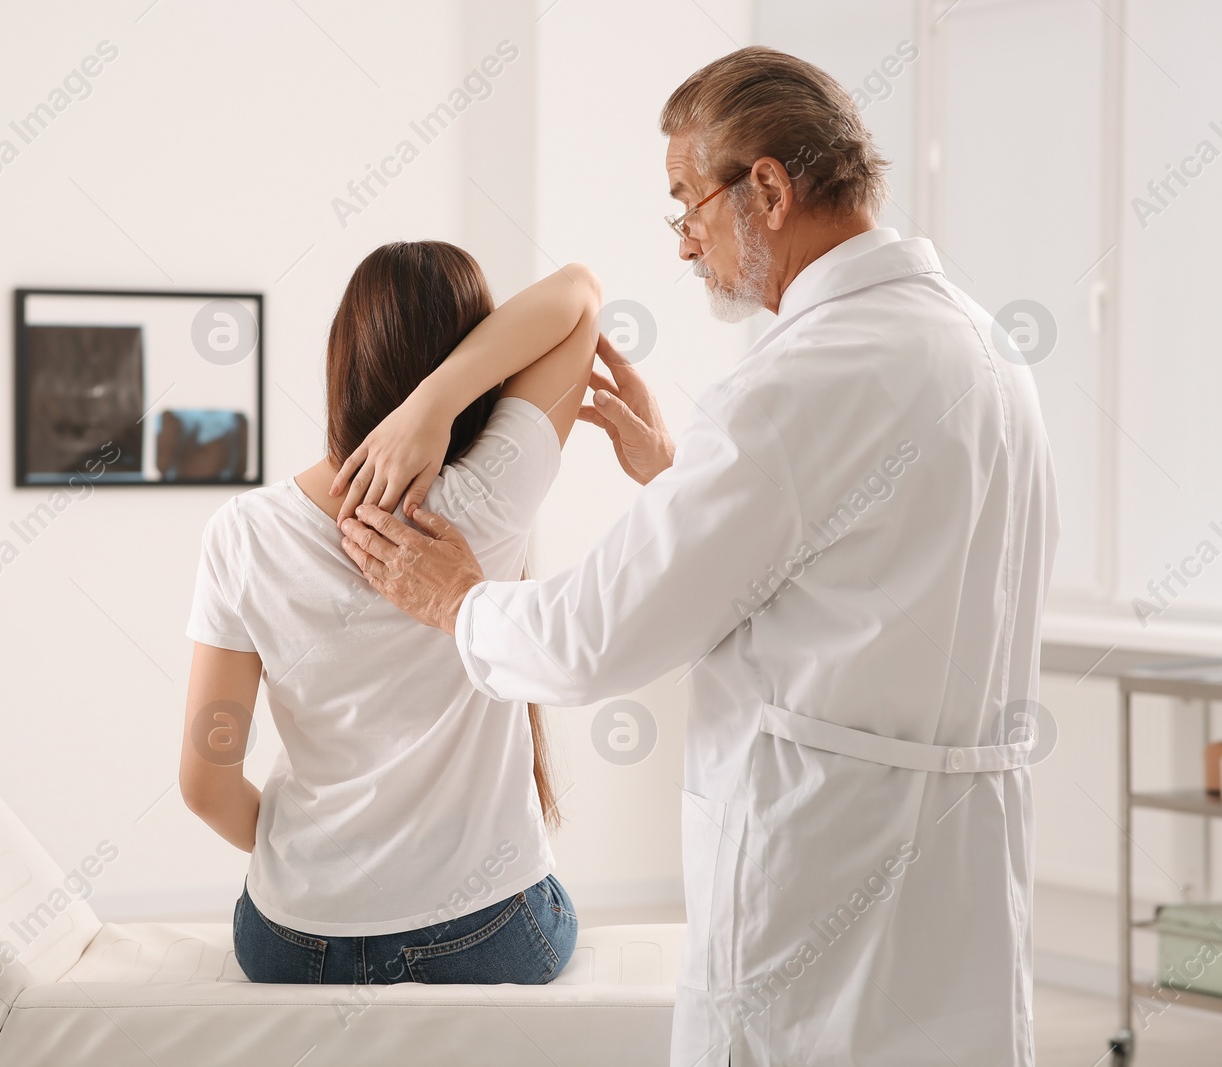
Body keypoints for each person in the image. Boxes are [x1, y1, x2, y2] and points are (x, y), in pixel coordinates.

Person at [337, 48, 1058, 1066]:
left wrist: (457, 596)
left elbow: (588, 640)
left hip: (820, 884)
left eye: (686, 205)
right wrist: (676, 475)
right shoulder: (983, 349)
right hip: (962, 889)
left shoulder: (800, 383)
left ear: (766, 187)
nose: (683, 246)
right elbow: (862, 566)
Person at [181, 240, 601, 986]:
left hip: (294, 941)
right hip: (486, 931)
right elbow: (577, 294)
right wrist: (435, 405)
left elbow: (205, 783)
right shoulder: (493, 494)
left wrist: (320, 867)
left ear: (343, 357)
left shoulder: (243, 532)